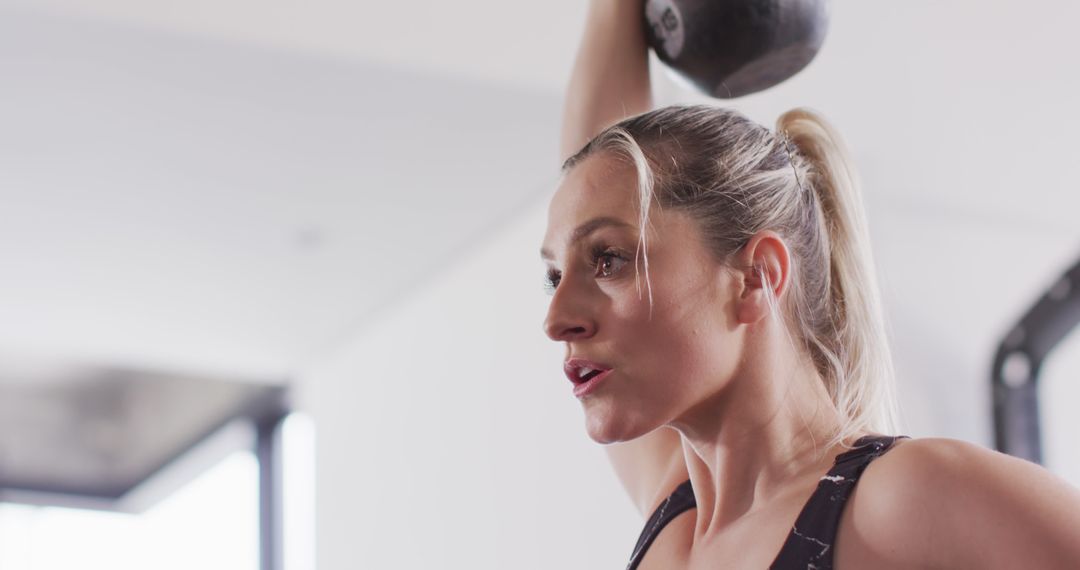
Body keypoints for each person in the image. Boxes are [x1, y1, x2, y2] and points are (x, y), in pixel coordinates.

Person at [538, 1, 1080, 568]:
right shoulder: (675, 520)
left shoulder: (900, 500)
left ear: (755, 277)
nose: (555, 319)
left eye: (608, 260)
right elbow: (604, 161)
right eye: (554, 275)